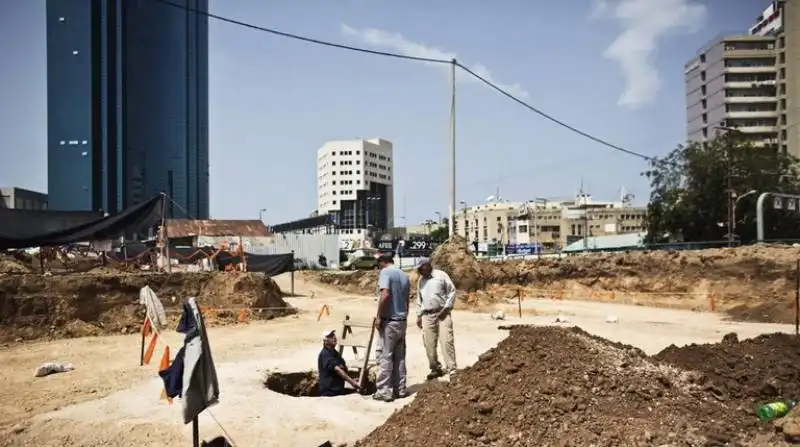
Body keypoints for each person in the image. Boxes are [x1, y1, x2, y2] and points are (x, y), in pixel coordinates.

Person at [373, 254, 410, 402]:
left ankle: (384, 391)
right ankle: (400, 388)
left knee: (386, 356)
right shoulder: (404, 275)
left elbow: (385, 294)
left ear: (383, 263)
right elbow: (407, 300)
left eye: (379, 265)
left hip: (390, 321)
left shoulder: (386, 272)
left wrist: (379, 316)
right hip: (402, 321)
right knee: (400, 357)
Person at [415, 257, 458, 380]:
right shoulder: (421, 281)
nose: (420, 271)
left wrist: (446, 308)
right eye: (419, 269)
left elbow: (452, 291)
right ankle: (435, 368)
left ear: (428, 265)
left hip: (443, 313)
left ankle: (452, 369)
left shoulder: (441, 275)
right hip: (427, 315)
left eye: (422, 268)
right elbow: (419, 299)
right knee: (429, 344)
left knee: (446, 341)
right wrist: (419, 315)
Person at [317, 329, 361, 397]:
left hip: (338, 391)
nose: (334, 337)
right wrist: (353, 383)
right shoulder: (325, 354)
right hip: (329, 392)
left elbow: (343, 368)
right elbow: (338, 371)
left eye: (334, 335)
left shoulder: (336, 354)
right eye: (331, 336)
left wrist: (353, 379)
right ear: (325, 341)